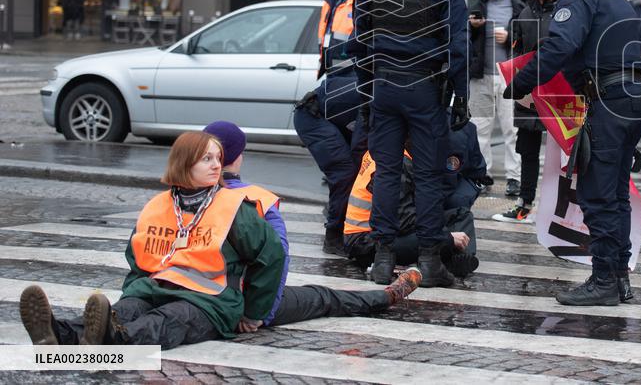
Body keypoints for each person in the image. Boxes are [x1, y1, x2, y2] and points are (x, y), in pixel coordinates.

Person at [18, 132, 421, 348]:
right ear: (183, 165)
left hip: (210, 304)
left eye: (218, 158)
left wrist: (257, 312)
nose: (217, 165)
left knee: (167, 322)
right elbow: (137, 258)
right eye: (207, 159)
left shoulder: (235, 206)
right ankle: (62, 333)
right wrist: (136, 291)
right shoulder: (158, 205)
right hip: (159, 288)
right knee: (130, 307)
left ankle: (387, 296)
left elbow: (272, 257)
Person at [503, 0, 641, 306]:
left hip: (612, 101)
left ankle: (603, 281)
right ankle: (618, 278)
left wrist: (521, 85)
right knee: (615, 191)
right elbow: (588, 53)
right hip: (634, 98)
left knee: (597, 191)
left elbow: (561, 46)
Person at [203, 121, 421, 328]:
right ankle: (384, 297)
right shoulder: (257, 199)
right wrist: (259, 315)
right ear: (239, 156)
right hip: (242, 299)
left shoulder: (179, 195)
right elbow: (278, 259)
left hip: (196, 295)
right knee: (323, 298)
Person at [353, 0, 470, 288]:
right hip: (424, 87)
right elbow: (458, 46)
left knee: (386, 172)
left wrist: (366, 90)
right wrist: (460, 96)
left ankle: (384, 259)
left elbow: (360, 38)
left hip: (384, 84)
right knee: (427, 174)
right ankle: (430, 260)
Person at [344, 126, 483, 278]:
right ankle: (446, 261)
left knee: (461, 215)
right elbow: (404, 222)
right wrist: (448, 238)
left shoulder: (394, 152)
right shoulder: (397, 163)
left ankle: (457, 259)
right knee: (433, 238)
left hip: (384, 234)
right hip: (366, 243)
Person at [294, 0, 364, 255]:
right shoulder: (332, 0)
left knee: (349, 170)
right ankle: (335, 234)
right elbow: (328, 41)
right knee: (345, 172)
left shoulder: (362, 0)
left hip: (348, 77)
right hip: (334, 83)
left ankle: (343, 223)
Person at [494, 0, 559, 223]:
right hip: (528, 90)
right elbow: (516, 50)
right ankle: (524, 204)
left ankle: (557, 209)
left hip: (558, 90)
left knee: (561, 152)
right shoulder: (523, 13)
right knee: (527, 149)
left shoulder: (564, 11)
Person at [468, 0, 525, 197]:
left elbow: (527, 37)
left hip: (508, 76)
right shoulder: (475, 4)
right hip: (480, 77)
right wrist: (472, 26)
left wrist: (511, 35)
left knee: (512, 129)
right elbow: (461, 35)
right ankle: (483, 175)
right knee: (480, 129)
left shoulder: (518, 7)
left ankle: (514, 178)